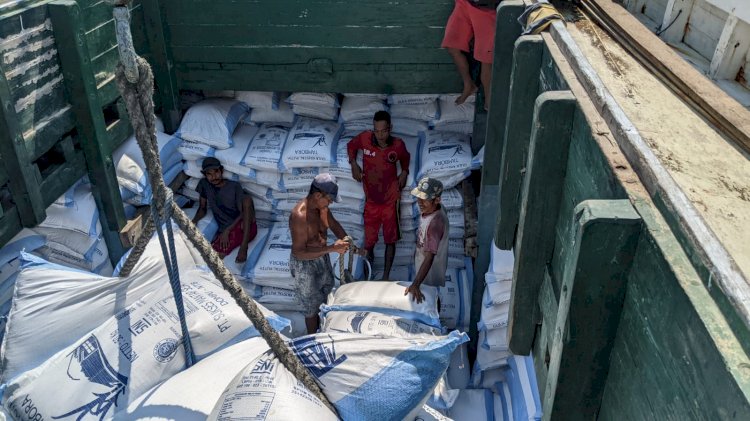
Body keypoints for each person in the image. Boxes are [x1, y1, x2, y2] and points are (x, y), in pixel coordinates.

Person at [347, 111, 410, 281]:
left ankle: (385, 277)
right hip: (372, 201)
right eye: (377, 131)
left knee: (390, 239)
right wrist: (353, 164)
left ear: (390, 128)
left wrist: (404, 172)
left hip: (391, 200)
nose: (380, 135)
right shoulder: (365, 139)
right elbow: (351, 146)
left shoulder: (397, 145)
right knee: (369, 241)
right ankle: (368, 275)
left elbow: (405, 158)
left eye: (384, 131)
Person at [289, 173, 352, 334]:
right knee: (310, 306)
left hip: (322, 258)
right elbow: (299, 252)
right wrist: (331, 248)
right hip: (305, 265)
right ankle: (312, 339)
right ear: (318, 195)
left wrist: (347, 242)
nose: (330, 203)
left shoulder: (322, 208)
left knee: (326, 295)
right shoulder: (299, 216)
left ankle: (323, 330)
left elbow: (334, 225)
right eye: (329, 199)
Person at [192, 157, 257, 262]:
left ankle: (244, 247)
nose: (214, 177)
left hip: (243, 226)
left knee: (247, 200)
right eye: (209, 174)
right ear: (205, 175)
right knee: (210, 256)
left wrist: (228, 230)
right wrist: (193, 222)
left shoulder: (234, 186)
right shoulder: (204, 184)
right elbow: (202, 208)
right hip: (227, 230)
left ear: (222, 170)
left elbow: (243, 214)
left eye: (216, 172)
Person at [441, 0, 499, 107]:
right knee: (452, 46)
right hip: (464, 3)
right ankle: (469, 85)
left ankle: (489, 104)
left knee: (486, 59)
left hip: (488, 9)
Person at [405, 177, 449, 304]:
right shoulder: (435, 208)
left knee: (428, 299)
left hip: (430, 271)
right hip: (424, 265)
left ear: (437, 200)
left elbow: (429, 257)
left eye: (425, 199)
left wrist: (416, 284)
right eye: (419, 198)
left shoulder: (435, 224)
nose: (420, 202)